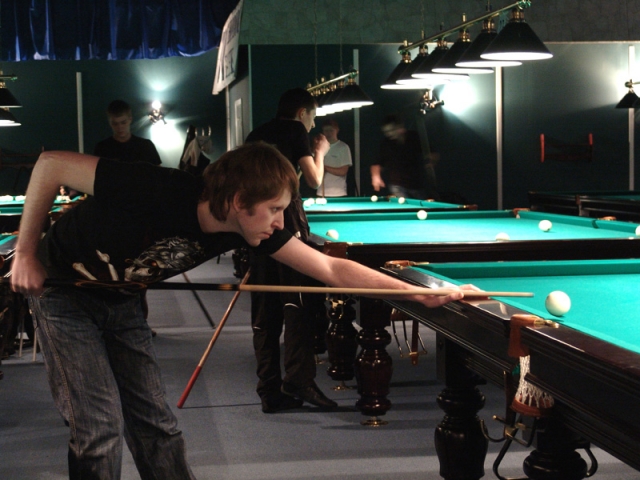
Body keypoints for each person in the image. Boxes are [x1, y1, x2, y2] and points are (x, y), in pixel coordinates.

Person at [10, 142, 469, 479]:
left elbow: (330, 267)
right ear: (237, 202)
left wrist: (414, 294)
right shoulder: (155, 186)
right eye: (274, 209)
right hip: (63, 294)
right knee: (99, 428)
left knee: (156, 424)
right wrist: (27, 253)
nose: (279, 222)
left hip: (122, 300)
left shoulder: (249, 227)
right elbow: (50, 164)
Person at [244, 88, 334, 413]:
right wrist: (320, 151)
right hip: (287, 221)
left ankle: (269, 389)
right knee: (298, 303)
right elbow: (314, 179)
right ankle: (299, 380)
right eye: (312, 117)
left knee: (265, 310)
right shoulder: (297, 130)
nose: (312, 124)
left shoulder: (256, 134)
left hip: (254, 225)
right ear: (301, 114)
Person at [370, 113, 437, 199]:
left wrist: (431, 162)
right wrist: (375, 177)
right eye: (386, 132)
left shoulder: (414, 137)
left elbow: (433, 153)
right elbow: (377, 164)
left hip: (417, 185)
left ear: (400, 127)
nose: (389, 134)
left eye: (391, 130)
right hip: (397, 186)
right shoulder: (386, 144)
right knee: (405, 205)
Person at [93, 99, 162, 166]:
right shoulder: (102, 148)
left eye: (123, 122)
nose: (120, 127)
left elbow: (158, 172)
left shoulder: (146, 146)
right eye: (115, 124)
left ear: (130, 119)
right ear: (110, 123)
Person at [316, 118, 352, 197]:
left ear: (337, 130)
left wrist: (325, 168)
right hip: (321, 193)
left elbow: (343, 171)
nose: (328, 133)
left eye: (331, 130)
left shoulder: (343, 147)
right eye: (326, 130)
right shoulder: (319, 148)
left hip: (339, 193)